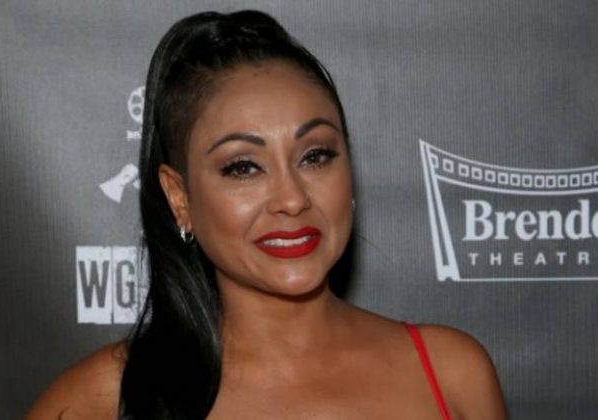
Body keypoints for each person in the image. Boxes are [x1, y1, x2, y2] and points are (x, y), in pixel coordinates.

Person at [27, 10, 506, 419]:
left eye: (315, 156)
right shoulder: (99, 401)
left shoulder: (453, 373)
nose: (292, 199)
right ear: (179, 197)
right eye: (243, 167)